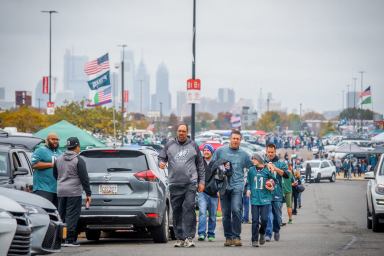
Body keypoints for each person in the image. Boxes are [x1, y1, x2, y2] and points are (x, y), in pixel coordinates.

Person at [158, 123, 205, 248]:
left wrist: (202, 182)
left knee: (189, 208)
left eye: (184, 131)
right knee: (177, 211)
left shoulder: (193, 145)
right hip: (175, 183)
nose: (181, 133)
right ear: (176, 132)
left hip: (190, 183)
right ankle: (180, 238)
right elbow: (161, 157)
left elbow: (200, 165)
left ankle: (189, 237)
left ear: (187, 132)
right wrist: (161, 163)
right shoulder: (169, 144)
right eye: (179, 131)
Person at [211, 129, 253, 247]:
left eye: (237, 139)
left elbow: (252, 169)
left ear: (240, 140)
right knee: (225, 213)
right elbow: (212, 165)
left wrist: (249, 185)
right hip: (223, 186)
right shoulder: (220, 151)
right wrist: (216, 179)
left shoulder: (244, 155)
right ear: (230, 139)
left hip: (237, 186)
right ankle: (228, 237)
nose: (235, 141)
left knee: (236, 209)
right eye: (234, 138)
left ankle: (236, 236)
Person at [53, 137, 91, 247]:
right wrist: (88, 193)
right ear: (77, 146)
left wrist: (62, 182)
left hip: (61, 190)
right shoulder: (78, 160)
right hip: (74, 192)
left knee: (62, 214)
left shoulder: (58, 159)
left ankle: (60, 239)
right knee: (72, 215)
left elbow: (55, 174)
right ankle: (69, 240)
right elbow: (84, 178)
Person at [246, 153, 275, 247]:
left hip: (265, 198)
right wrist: (248, 189)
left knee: (264, 219)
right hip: (254, 198)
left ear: (258, 160)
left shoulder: (267, 170)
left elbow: (275, 181)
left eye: (254, 159)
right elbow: (249, 182)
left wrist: (272, 186)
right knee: (254, 220)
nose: (252, 161)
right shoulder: (251, 170)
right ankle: (254, 239)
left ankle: (262, 233)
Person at [264, 143, 289, 242]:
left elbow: (287, 175)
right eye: (268, 152)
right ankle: (268, 233)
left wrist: (275, 168)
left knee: (277, 216)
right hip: (266, 193)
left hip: (277, 193)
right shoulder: (263, 162)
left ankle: (277, 230)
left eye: (272, 152)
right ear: (266, 152)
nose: (270, 154)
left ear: (275, 152)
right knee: (268, 214)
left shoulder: (281, 163)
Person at [31, 133, 62, 207]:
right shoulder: (40, 150)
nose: (55, 141)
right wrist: (52, 164)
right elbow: (34, 165)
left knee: (57, 213)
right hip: (43, 189)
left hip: (57, 189)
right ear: (47, 141)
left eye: (57, 139)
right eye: (53, 139)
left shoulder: (60, 152)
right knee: (45, 211)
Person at [198, 144, 219, 242]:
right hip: (202, 192)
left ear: (212, 152)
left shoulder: (216, 163)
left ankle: (211, 233)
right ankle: (201, 233)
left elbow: (221, 177)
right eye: (204, 150)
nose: (206, 152)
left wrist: (219, 189)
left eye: (208, 150)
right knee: (202, 213)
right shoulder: (199, 162)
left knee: (213, 215)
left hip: (214, 193)